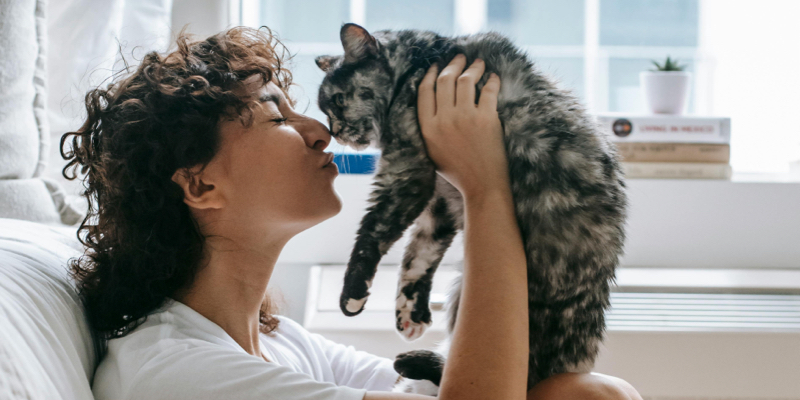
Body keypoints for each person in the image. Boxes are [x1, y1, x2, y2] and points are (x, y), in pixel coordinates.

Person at [61, 25, 643, 400]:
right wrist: (486, 186)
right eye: (277, 117)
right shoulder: (179, 373)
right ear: (200, 184)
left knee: (585, 393)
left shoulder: (283, 345)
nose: (319, 131)